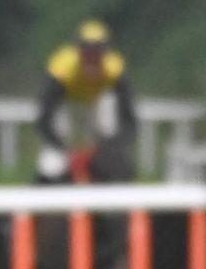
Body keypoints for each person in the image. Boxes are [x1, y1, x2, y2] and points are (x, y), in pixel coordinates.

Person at [34, 19, 138, 184]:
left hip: (97, 102)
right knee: (52, 165)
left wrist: (114, 146)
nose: (92, 58)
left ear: (105, 54)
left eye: (97, 53)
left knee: (116, 162)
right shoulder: (62, 67)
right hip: (67, 103)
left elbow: (129, 115)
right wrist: (59, 146)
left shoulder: (114, 67)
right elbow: (45, 113)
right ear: (78, 51)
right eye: (87, 52)